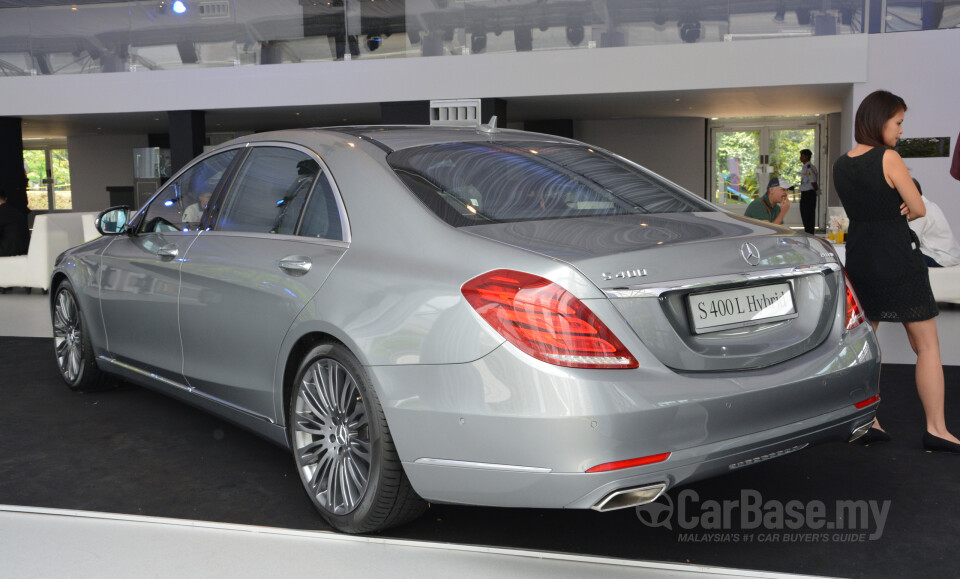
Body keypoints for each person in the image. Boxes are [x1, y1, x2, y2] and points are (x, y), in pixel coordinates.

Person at [833, 89, 959, 454]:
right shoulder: (889, 157)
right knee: (927, 346)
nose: (901, 131)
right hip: (896, 257)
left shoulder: (842, 164)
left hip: (860, 258)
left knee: (866, 346)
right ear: (880, 120)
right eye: (899, 122)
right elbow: (919, 208)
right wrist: (905, 203)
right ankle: (936, 429)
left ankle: (867, 420)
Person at [908, 178, 960, 267]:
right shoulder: (929, 205)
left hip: (940, 257)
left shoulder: (919, 210)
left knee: (899, 256)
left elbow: (910, 243)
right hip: (949, 255)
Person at [0, 189, 30, 257]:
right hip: (24, 250)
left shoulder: (2, 212)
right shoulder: (17, 212)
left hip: (7, 252)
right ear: (5, 198)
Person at [798, 148, 820, 234]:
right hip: (805, 193)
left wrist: (817, 190)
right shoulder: (805, 167)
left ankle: (809, 233)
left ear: (807, 157)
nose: (800, 158)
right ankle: (807, 231)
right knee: (804, 214)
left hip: (809, 194)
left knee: (808, 215)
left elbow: (813, 181)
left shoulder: (809, 168)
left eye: (802, 156)